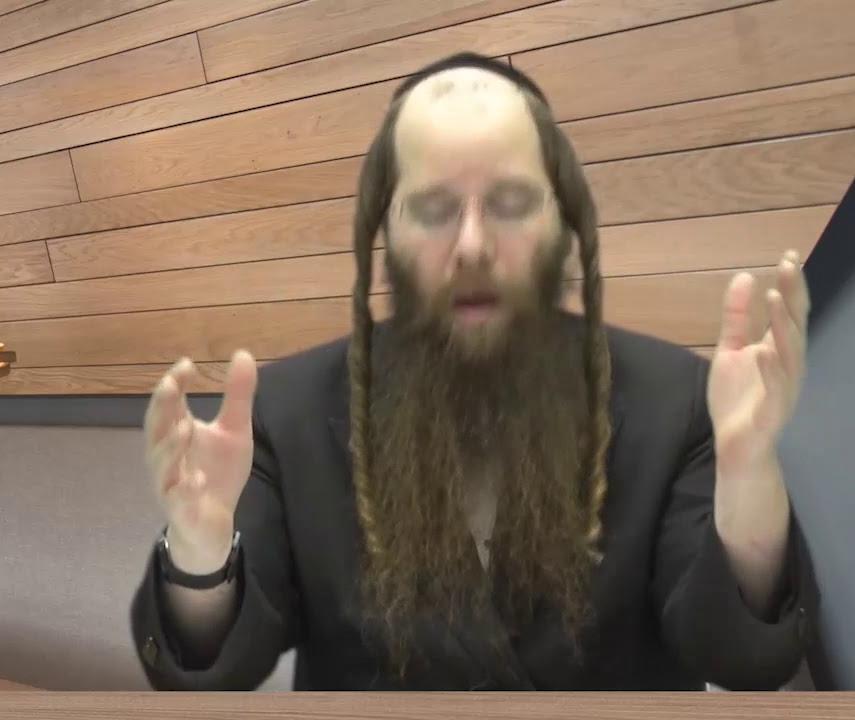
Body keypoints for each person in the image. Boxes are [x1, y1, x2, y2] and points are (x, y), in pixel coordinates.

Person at [130, 52, 819, 691]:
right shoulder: (288, 412)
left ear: (562, 220)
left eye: (512, 203)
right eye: (433, 210)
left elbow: (744, 659)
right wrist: (201, 553)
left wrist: (749, 480)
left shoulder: (676, 398)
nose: (472, 245)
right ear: (386, 230)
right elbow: (215, 670)